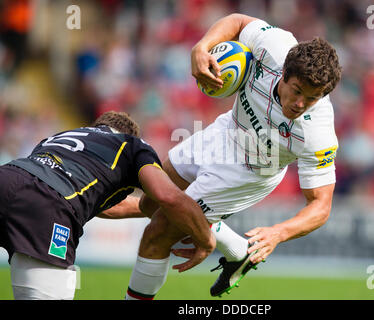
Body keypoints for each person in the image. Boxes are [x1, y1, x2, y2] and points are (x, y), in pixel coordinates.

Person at [124, 13, 342, 299]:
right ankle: (238, 250)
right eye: (297, 91)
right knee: (153, 200)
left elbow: (321, 205)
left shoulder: (318, 132)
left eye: (312, 98)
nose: (301, 104)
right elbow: (238, 22)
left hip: (250, 170)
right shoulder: (275, 46)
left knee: (158, 231)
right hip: (226, 130)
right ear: (284, 73)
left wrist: (279, 233)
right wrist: (201, 48)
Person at [0, 111, 215, 300]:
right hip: (48, 206)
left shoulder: (60, 136)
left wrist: (150, 209)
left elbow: (98, 202)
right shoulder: (131, 144)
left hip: (8, 176)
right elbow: (167, 196)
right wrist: (205, 239)